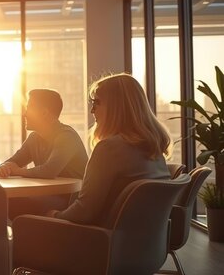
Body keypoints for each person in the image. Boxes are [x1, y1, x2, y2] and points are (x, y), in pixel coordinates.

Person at [47, 73, 171, 225]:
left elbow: (84, 212)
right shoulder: (154, 149)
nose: (92, 110)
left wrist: (55, 216)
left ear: (117, 107)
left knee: (24, 212)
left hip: (100, 239)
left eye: (97, 103)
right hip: (141, 242)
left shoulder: (109, 149)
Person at [0, 89, 88, 218]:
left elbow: (49, 171)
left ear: (44, 112)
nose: (24, 114)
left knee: (13, 204)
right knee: (5, 203)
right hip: (49, 195)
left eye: (28, 108)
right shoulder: (35, 138)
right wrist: (4, 167)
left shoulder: (67, 136)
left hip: (70, 202)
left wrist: (17, 171)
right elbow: (14, 161)